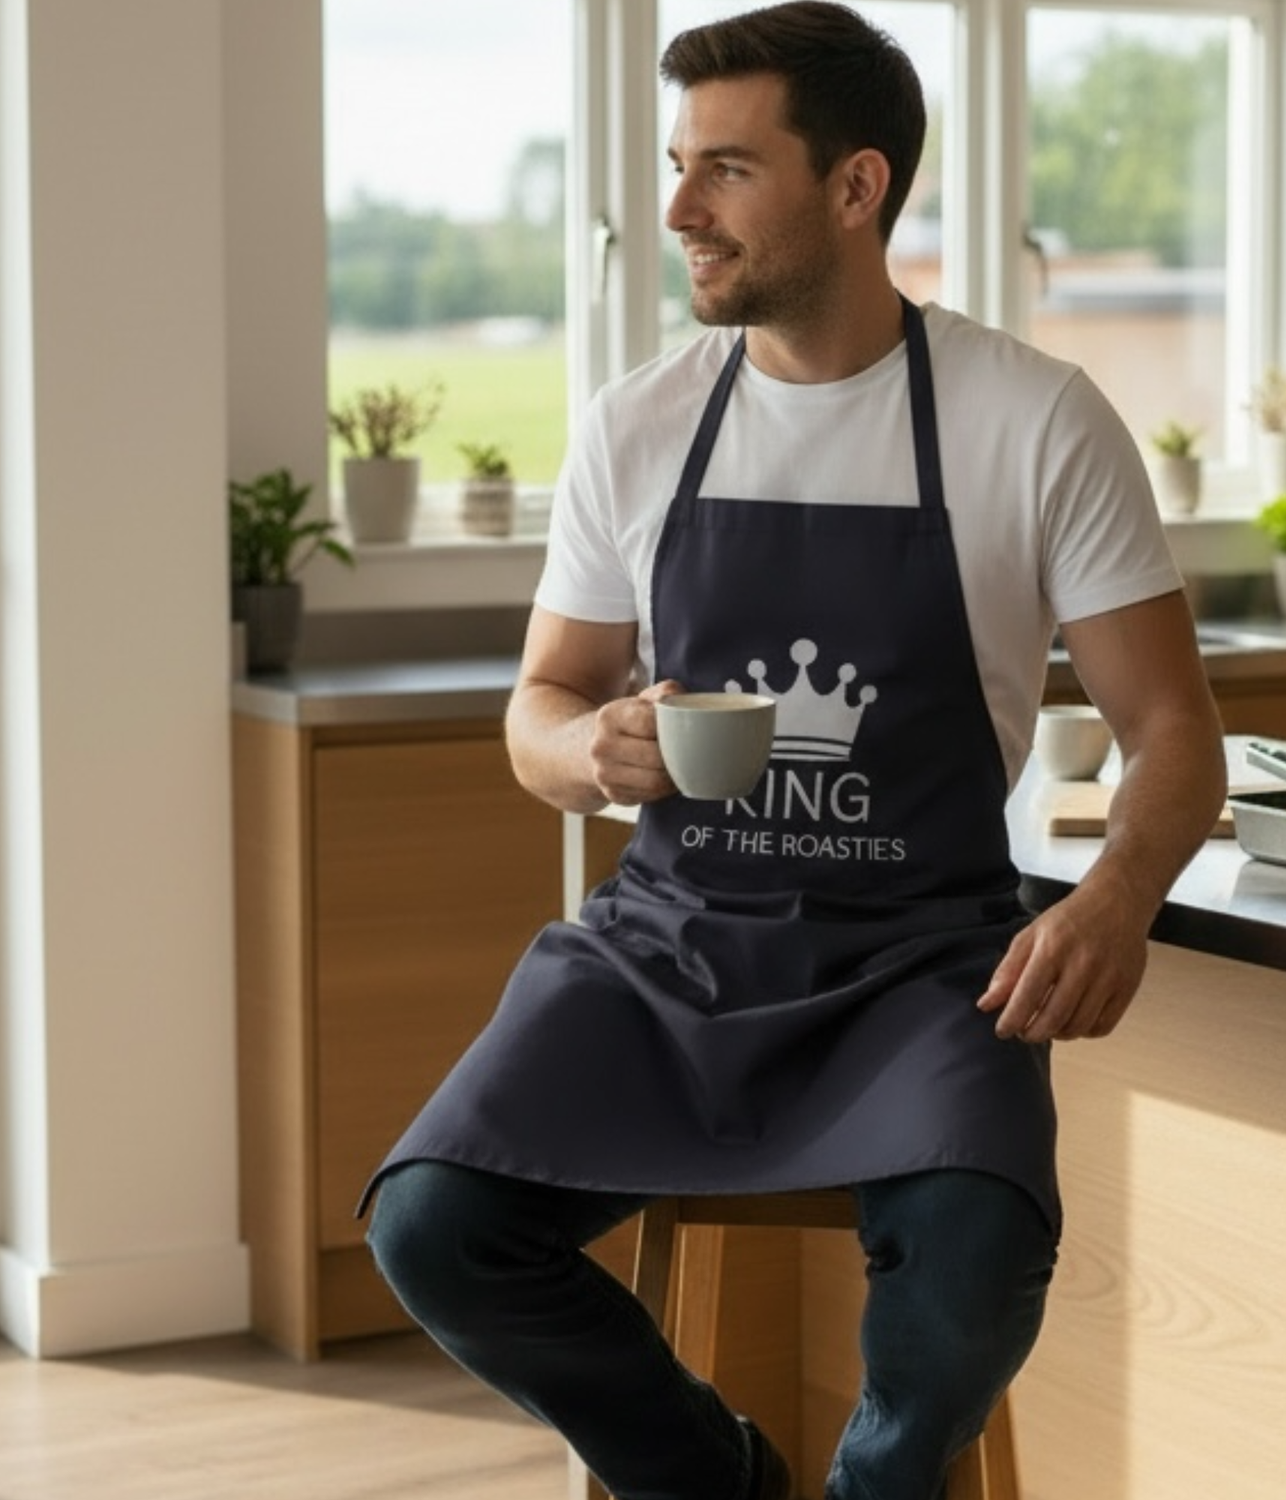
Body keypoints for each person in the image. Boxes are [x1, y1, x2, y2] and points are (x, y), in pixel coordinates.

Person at [364, 4, 1227, 1498]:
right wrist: (597, 751)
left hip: (921, 964)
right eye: (680, 166)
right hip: (670, 950)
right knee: (429, 1224)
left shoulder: (1033, 421)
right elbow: (538, 712)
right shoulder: (637, 428)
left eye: (727, 170)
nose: (682, 210)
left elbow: (1172, 733)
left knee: (970, 1284)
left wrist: (1112, 902)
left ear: (855, 186)